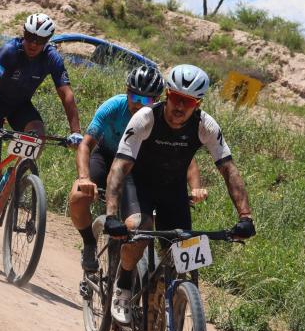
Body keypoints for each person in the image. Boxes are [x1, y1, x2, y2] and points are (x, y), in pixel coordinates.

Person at [104, 64, 256, 324]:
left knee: (186, 257)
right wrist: (110, 214)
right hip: (138, 184)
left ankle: (176, 317)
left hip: (172, 191)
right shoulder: (145, 118)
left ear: (197, 103)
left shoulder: (205, 125)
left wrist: (245, 216)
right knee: (139, 229)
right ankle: (124, 284)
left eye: (188, 102)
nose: (179, 107)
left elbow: (229, 169)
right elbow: (120, 166)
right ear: (166, 95)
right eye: (175, 98)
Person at [0, 13, 84, 245]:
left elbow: (66, 95)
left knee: (38, 132)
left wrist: (75, 131)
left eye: (40, 40)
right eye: (29, 37)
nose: (33, 44)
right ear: (23, 34)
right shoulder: (9, 50)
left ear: (48, 41)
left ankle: (11, 172)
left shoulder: (52, 58)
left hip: (19, 107)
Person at [69, 63, 206, 272]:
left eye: (147, 100)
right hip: (107, 157)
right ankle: (88, 243)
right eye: (135, 98)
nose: (140, 105)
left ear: (158, 100)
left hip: (137, 167)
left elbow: (186, 159)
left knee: (143, 226)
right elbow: (86, 144)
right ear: (126, 92)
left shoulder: (160, 118)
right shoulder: (113, 107)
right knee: (78, 196)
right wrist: (83, 177)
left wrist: (196, 187)